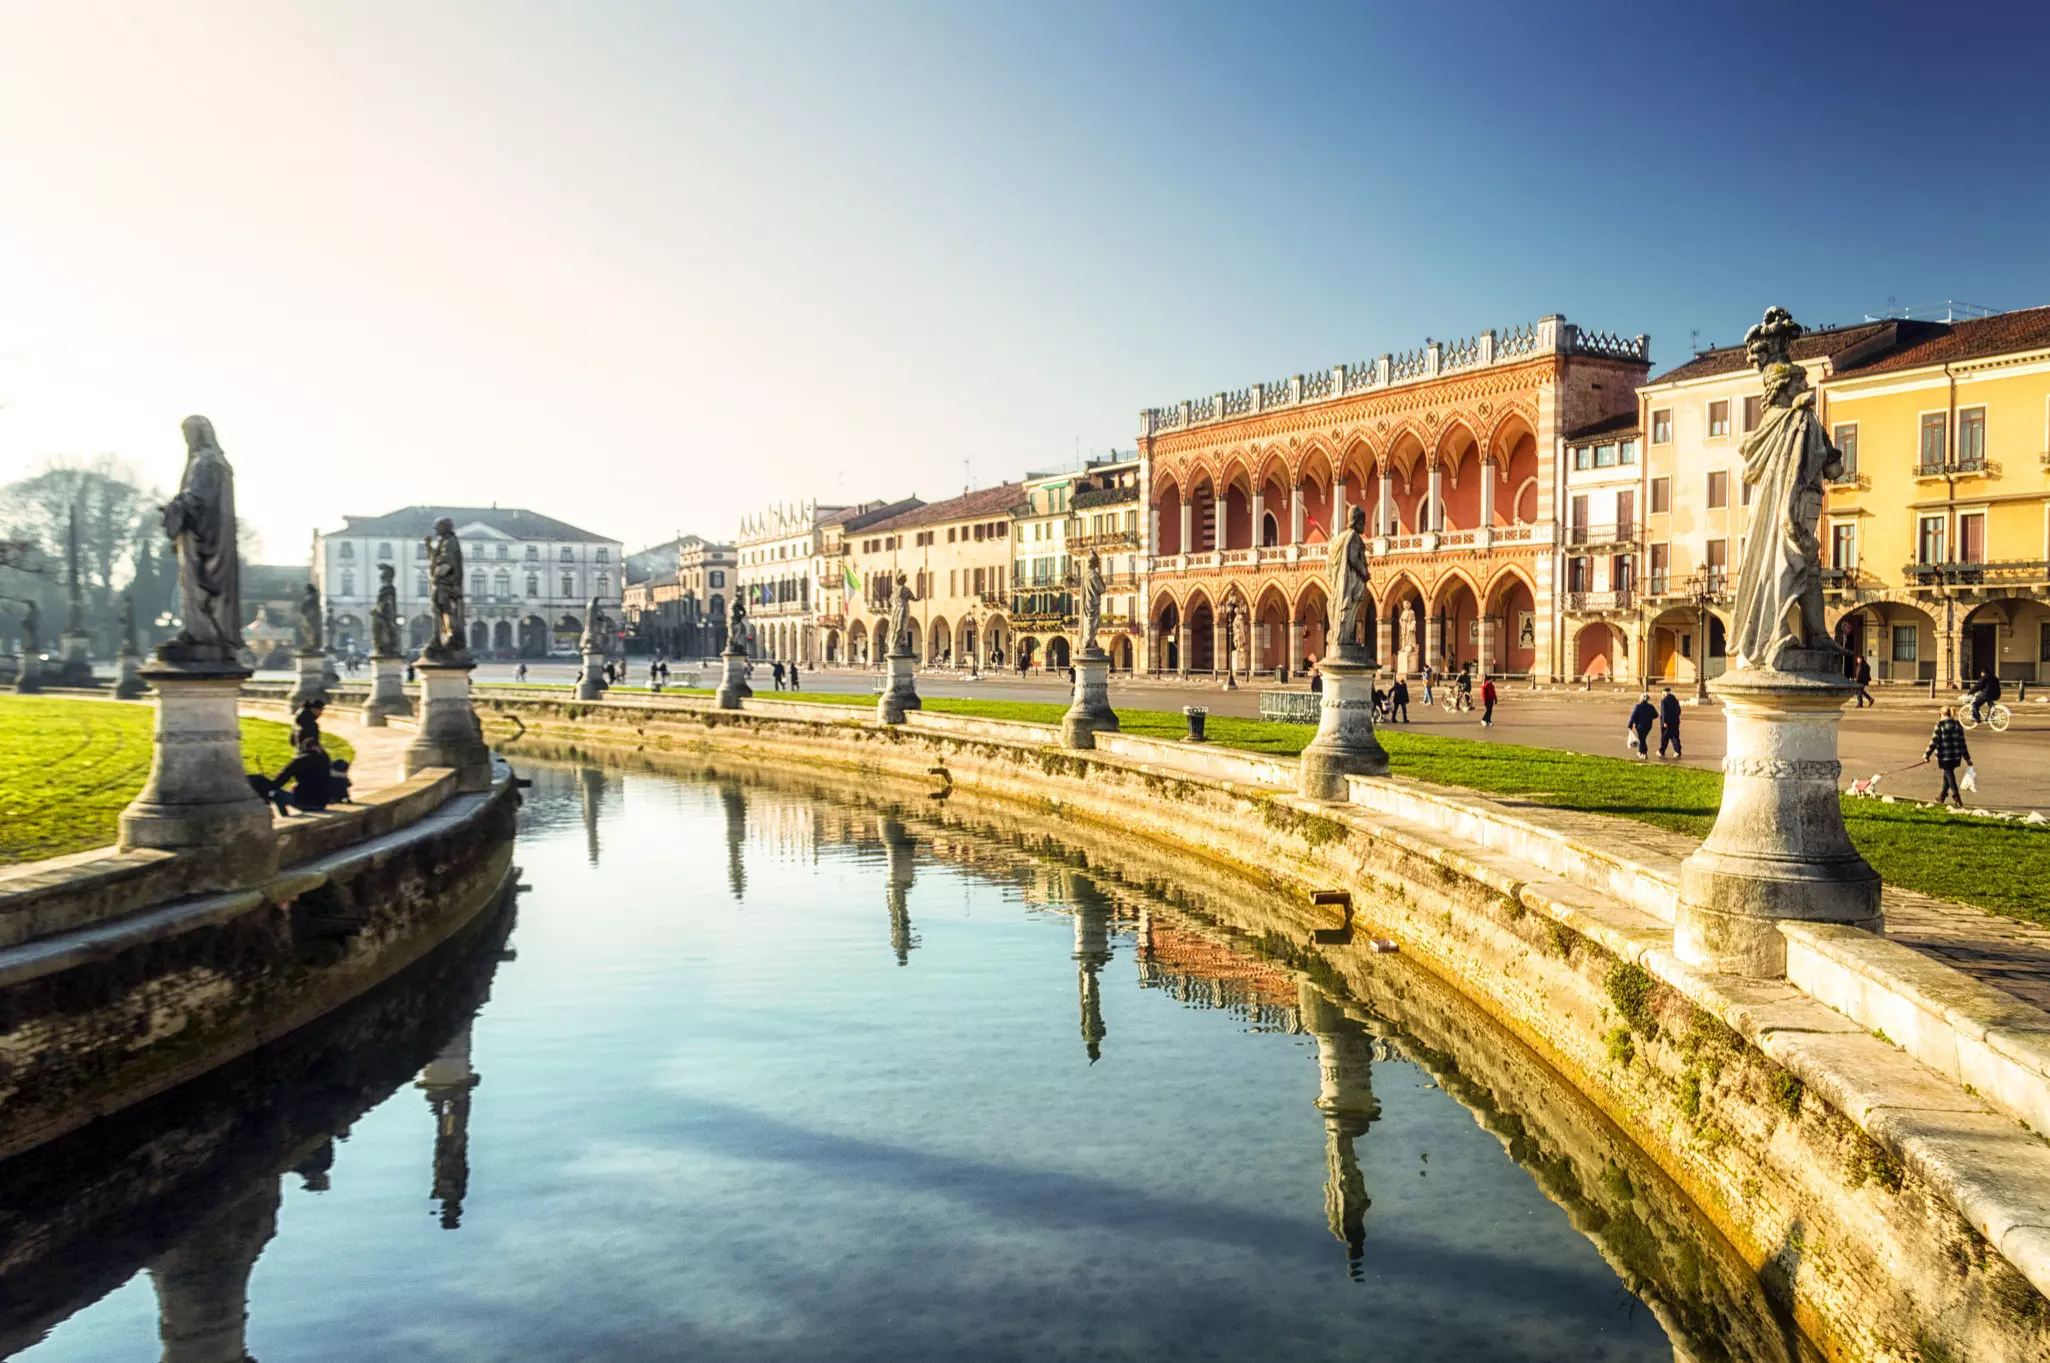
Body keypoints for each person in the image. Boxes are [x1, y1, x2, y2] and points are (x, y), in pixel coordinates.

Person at [268, 737, 337, 814]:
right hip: (321, 803)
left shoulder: (299, 761)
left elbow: (280, 780)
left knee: (275, 793)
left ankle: (286, 816)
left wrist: (269, 785)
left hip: (305, 802)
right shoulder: (325, 760)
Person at [1926, 707, 1972, 806]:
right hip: (1956, 756)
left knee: (1949, 774)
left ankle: (1956, 796)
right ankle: (1941, 797)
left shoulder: (1940, 724)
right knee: (1947, 774)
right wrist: (1967, 758)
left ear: (1942, 713)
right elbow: (1962, 743)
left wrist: (1927, 755)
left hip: (1944, 756)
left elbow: (1934, 741)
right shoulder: (1957, 724)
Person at [1627, 692, 1658, 760]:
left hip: (1640, 726)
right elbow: (1656, 715)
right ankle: (1641, 752)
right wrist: (1649, 717)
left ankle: (1643, 753)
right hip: (1648, 725)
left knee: (1642, 739)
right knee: (1642, 738)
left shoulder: (1637, 706)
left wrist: (1630, 724)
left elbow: (1633, 716)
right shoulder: (1651, 707)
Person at [1658, 686, 1683, 758]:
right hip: (1675, 722)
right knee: (1675, 737)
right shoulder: (1675, 700)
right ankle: (1677, 751)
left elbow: (1663, 713)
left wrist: (1664, 722)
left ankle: (1661, 751)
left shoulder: (1664, 701)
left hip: (1667, 723)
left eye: (1662, 694)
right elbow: (1679, 711)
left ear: (1664, 694)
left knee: (1664, 737)